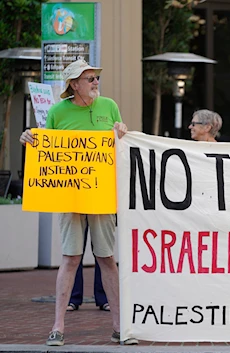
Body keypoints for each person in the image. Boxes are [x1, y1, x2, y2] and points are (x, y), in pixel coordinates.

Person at [19, 60, 135, 346]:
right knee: (70, 258)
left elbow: (120, 148)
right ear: (74, 84)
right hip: (69, 197)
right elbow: (47, 148)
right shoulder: (58, 112)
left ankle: (120, 327)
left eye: (96, 77)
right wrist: (30, 138)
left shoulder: (109, 106)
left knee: (107, 258)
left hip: (102, 195)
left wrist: (121, 134)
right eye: (90, 78)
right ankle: (57, 327)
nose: (96, 82)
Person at [67, 226, 109, 312]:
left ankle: (105, 298)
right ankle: (73, 298)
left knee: (103, 257)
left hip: (100, 213)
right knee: (74, 256)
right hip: (79, 213)